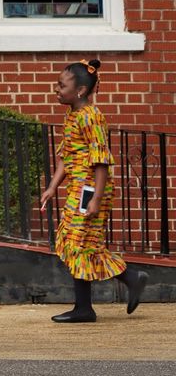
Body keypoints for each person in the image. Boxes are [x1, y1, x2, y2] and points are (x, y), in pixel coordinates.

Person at [41, 59, 148, 322]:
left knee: (79, 244)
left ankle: (87, 306)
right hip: (79, 187)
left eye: (61, 85)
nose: (56, 89)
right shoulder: (72, 115)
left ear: (80, 91)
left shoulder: (91, 117)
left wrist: (96, 199)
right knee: (78, 244)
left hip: (90, 189)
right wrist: (53, 186)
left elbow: (100, 160)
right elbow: (67, 156)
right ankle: (123, 283)